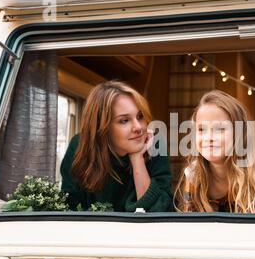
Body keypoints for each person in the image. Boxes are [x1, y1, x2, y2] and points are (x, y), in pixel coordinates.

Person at [60, 81, 172, 212]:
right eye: (124, 120)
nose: (138, 127)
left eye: (140, 116)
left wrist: (137, 159)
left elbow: (159, 213)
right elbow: (69, 209)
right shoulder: (79, 147)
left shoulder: (154, 143)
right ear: (102, 127)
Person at [175, 90, 255, 213]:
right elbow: (190, 222)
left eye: (219, 129)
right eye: (201, 129)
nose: (209, 138)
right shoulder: (193, 175)